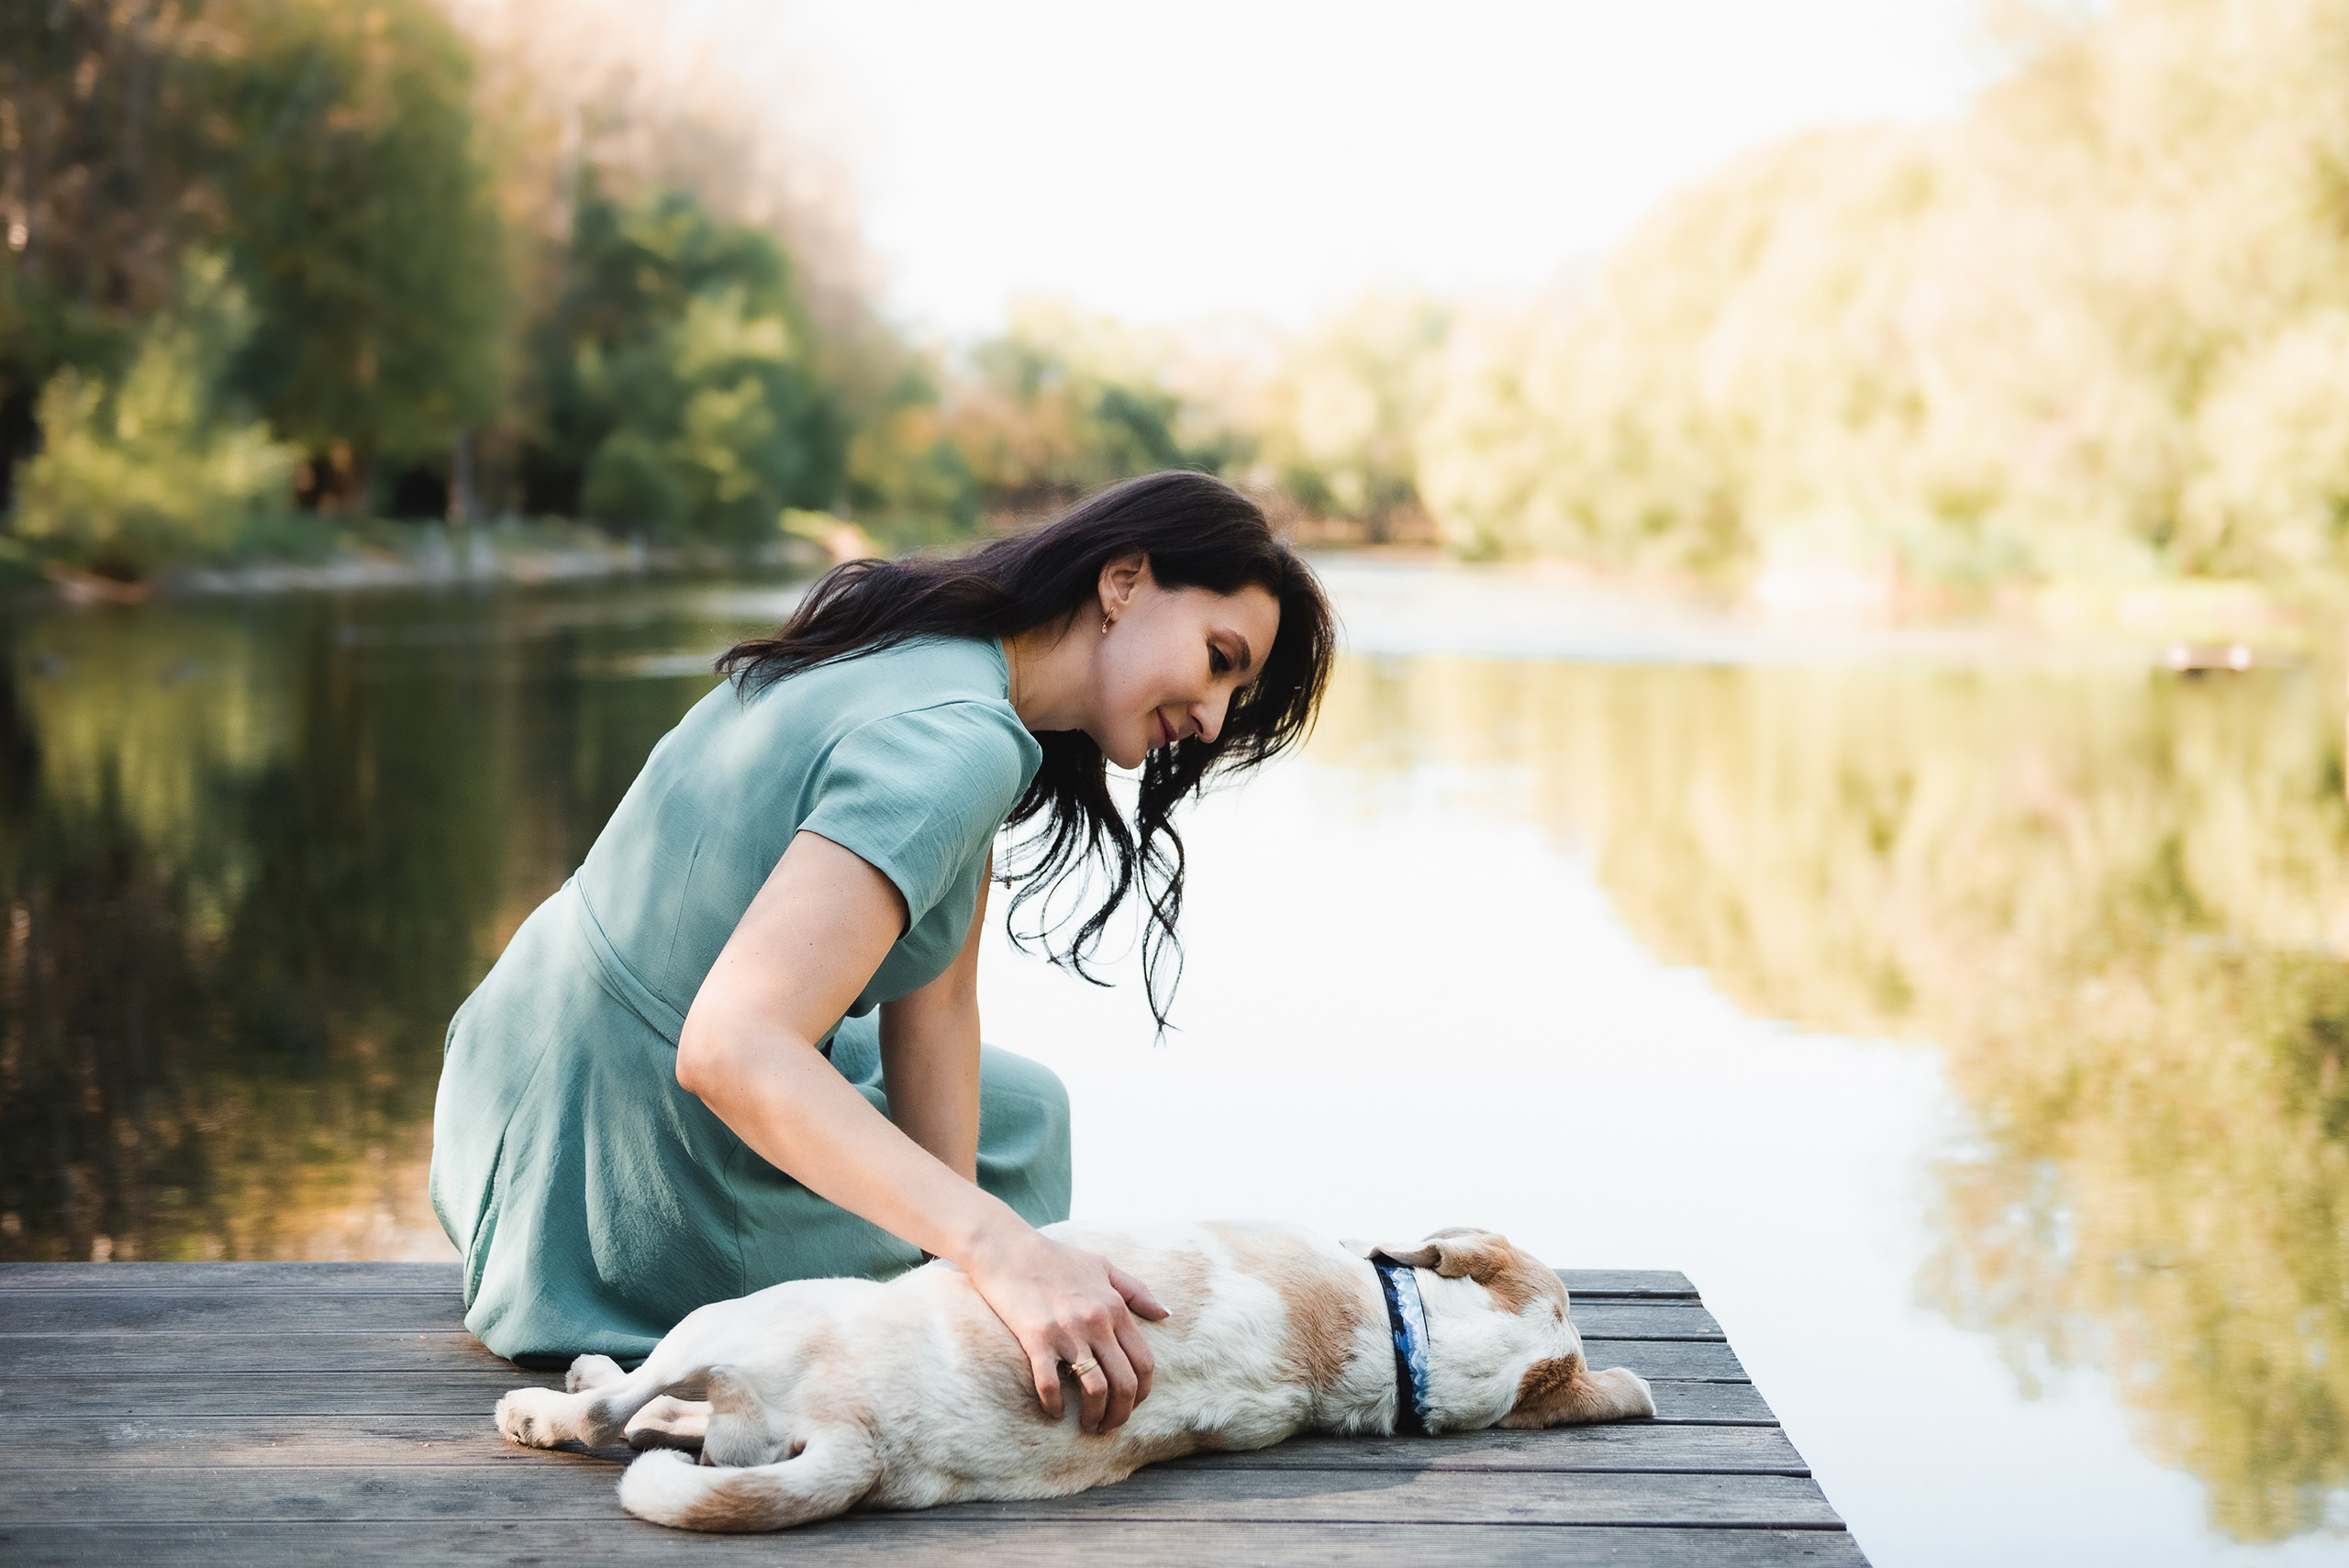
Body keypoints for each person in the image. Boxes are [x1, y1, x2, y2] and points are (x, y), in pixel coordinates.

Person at [429, 471, 1336, 1436]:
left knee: (1024, 1116)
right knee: (1009, 1205)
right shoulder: (957, 741)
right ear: (1123, 581)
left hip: (510, 1083)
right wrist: (1000, 1248)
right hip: (614, 1174)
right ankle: (929, 1361)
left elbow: (936, 1008)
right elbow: (731, 1046)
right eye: (1219, 658)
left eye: (1235, 691)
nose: (1212, 718)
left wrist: (958, 1264)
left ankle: (944, 1316)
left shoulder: (940, 653)